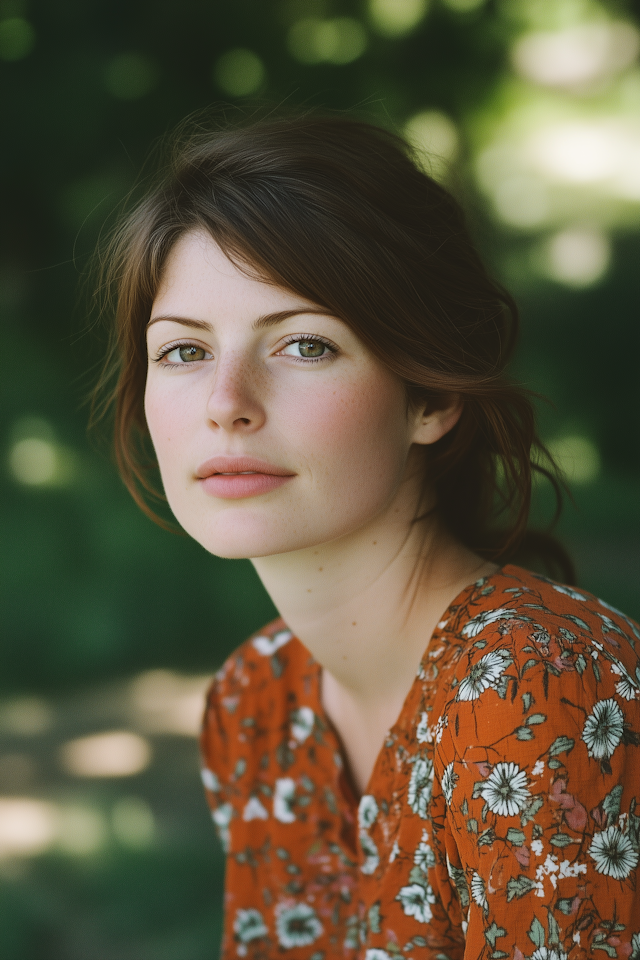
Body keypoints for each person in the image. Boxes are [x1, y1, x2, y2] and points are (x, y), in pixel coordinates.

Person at [97, 115, 640, 959]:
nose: (226, 401)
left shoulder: (535, 689)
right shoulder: (255, 701)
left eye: (305, 344)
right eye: (183, 352)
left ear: (430, 396)